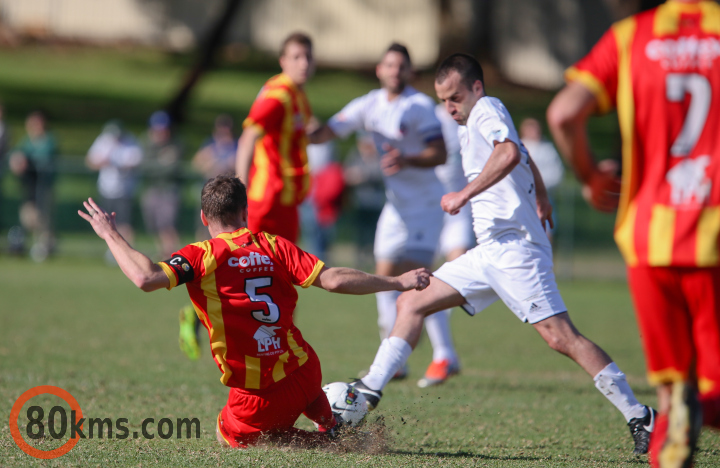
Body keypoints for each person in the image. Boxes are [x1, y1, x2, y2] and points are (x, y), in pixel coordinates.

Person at [350, 53, 657, 456]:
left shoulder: (486, 108)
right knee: (411, 301)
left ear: (477, 88)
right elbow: (523, 155)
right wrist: (542, 196)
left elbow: (510, 152)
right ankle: (369, 389)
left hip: (516, 252)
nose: (450, 107)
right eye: (443, 100)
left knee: (560, 337)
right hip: (488, 252)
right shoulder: (472, 121)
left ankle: (640, 414)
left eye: (455, 97)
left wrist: (463, 194)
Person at [77, 174, 431, 448]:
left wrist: (109, 232)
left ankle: (329, 445)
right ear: (244, 212)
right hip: (305, 370)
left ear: (204, 216)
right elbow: (335, 279)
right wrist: (398, 281)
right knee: (307, 388)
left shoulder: (202, 255)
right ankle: (332, 422)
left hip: (259, 396)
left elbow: (145, 277)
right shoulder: (273, 244)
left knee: (226, 435)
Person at [546, 1, 720, 466]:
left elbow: (563, 113)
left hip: (649, 240)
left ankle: (682, 417)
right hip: (713, 238)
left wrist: (589, 175)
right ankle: (697, 408)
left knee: (671, 392)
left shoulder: (631, 37)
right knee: (711, 391)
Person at [309, 43, 460, 384]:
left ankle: (444, 354)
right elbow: (327, 132)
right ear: (379, 69)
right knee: (383, 279)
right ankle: (394, 360)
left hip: (425, 206)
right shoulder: (369, 105)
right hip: (396, 208)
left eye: (401, 66)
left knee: (420, 280)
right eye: (389, 65)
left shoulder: (420, 106)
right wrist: (294, 133)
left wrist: (407, 159)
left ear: (410, 72)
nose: (395, 71)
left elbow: (439, 153)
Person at [235, 32, 314, 244]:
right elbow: (248, 137)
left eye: (308, 57)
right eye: (297, 57)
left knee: (285, 272)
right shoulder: (278, 96)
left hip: (285, 199)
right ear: (283, 61)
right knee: (252, 268)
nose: (304, 64)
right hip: (267, 200)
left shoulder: (298, 94)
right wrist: (241, 190)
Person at [86, 120, 143, 261]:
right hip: (106, 189)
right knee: (106, 222)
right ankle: (113, 252)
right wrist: (102, 162)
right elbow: (90, 161)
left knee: (124, 223)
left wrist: (122, 165)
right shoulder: (102, 141)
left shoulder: (131, 142)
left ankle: (128, 253)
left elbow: (137, 162)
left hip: (124, 190)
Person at [8, 111, 58, 262]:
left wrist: (27, 161)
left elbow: (45, 158)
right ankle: (34, 244)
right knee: (28, 216)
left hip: (44, 185)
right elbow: (17, 154)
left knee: (43, 217)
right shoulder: (27, 141)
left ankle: (46, 247)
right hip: (30, 185)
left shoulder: (49, 141)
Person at [140, 110, 183, 258]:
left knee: (168, 223)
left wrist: (159, 164)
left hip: (169, 190)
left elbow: (173, 168)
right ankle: (163, 252)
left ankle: (173, 253)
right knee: (155, 224)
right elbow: (145, 167)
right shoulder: (147, 144)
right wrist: (161, 163)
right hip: (152, 189)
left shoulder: (176, 144)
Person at [519, 117, 564, 242]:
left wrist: (541, 187)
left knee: (546, 234)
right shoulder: (519, 147)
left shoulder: (548, 149)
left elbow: (557, 173)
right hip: (522, 198)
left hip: (545, 197)